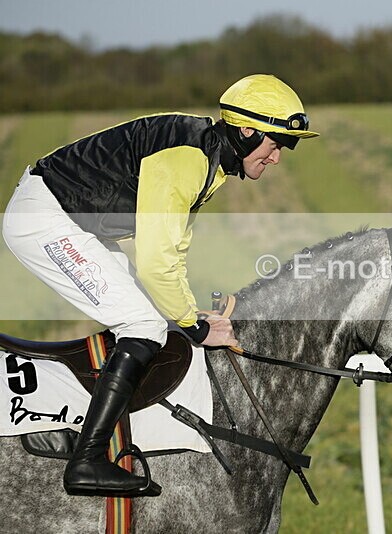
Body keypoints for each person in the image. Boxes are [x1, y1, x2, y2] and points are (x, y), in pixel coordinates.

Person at [1, 74, 319, 498]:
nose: (278, 157)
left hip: (71, 221)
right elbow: (155, 263)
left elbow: (174, 250)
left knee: (153, 318)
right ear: (247, 131)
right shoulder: (188, 159)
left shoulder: (208, 160)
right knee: (144, 326)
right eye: (277, 143)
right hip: (46, 220)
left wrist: (189, 313)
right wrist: (196, 327)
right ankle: (87, 461)